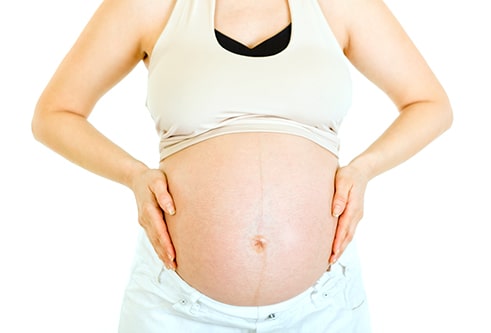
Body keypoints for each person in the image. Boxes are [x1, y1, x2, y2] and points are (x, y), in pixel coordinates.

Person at [32, 0, 452, 331]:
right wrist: (134, 175)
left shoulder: (338, 6)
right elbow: (55, 113)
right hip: (177, 311)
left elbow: (430, 105)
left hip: (322, 306)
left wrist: (364, 169)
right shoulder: (151, 6)